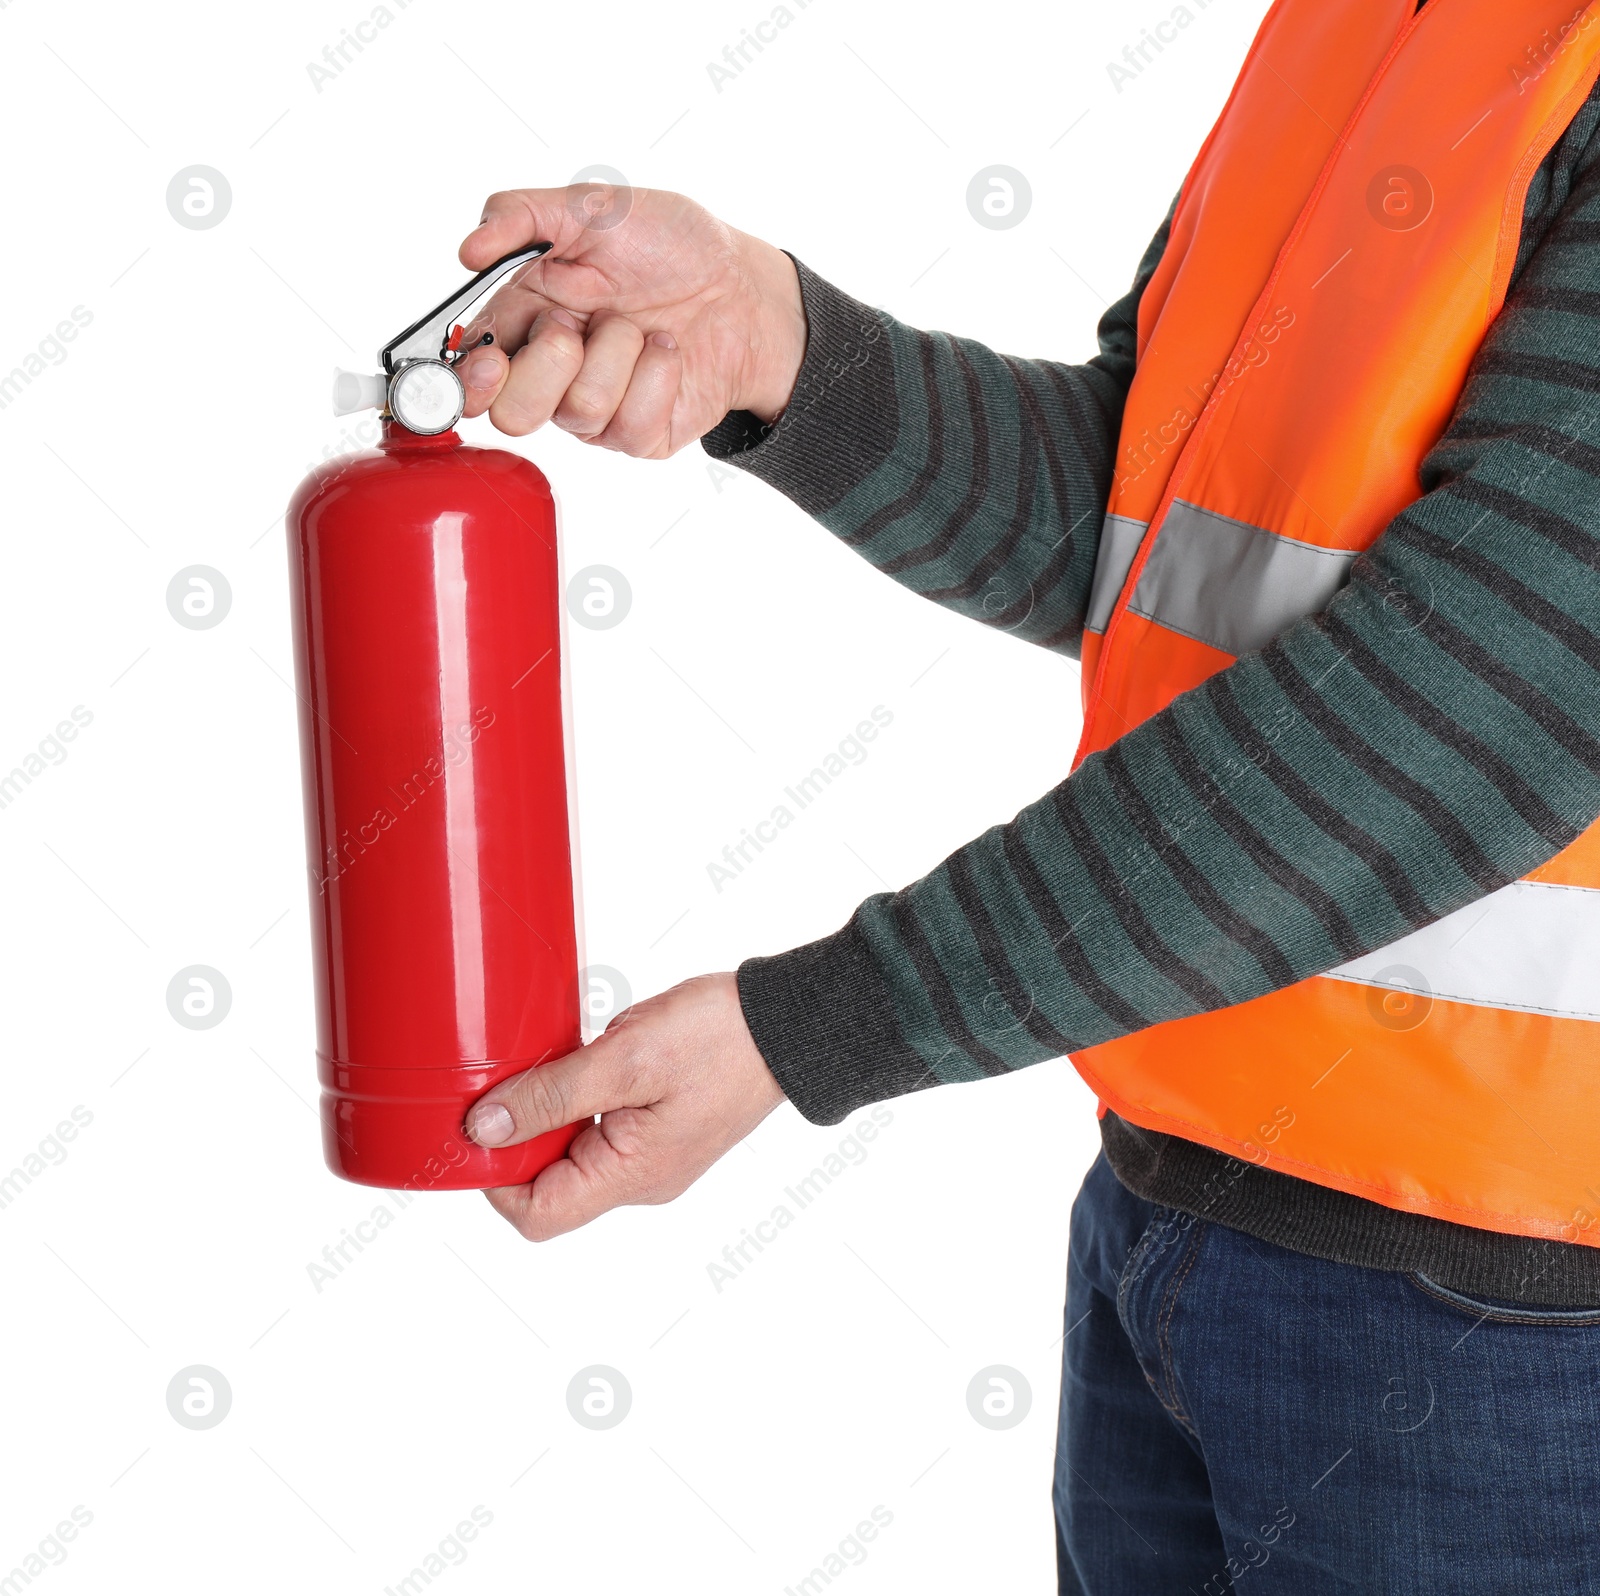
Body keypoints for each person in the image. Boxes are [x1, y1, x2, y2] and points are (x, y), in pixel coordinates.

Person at [454, 0, 1600, 1585]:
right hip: (1177, 1216)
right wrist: (768, 343)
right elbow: (1159, 534)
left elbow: (1485, 693)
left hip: (1518, 1339)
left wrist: (826, 1022)